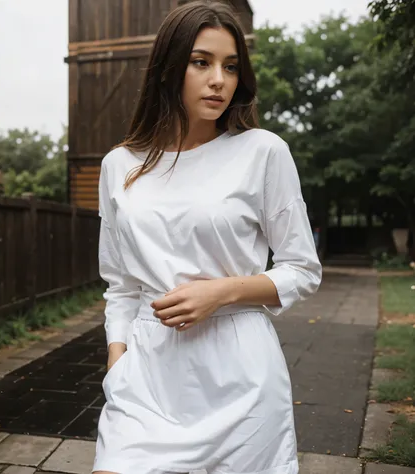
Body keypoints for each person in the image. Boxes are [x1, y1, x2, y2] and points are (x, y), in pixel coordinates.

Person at [93, 1, 322, 473]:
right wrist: (118, 360)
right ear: (168, 67)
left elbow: (303, 270)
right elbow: (120, 283)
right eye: (202, 62)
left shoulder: (262, 152)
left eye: (231, 66)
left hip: (240, 377)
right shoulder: (119, 165)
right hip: (148, 375)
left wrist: (222, 292)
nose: (219, 79)